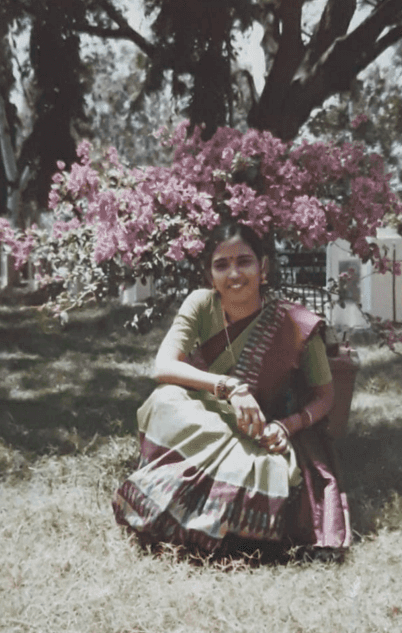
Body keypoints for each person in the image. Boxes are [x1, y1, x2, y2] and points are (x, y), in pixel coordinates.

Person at [113, 222, 350, 554]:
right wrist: (230, 388)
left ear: (263, 267)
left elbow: (326, 396)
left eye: (244, 261)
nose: (234, 274)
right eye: (221, 265)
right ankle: (199, 513)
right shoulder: (200, 303)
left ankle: (206, 520)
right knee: (164, 399)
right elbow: (163, 366)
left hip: (261, 429)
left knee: (260, 469)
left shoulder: (294, 323)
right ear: (210, 275)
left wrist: (287, 425)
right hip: (207, 417)